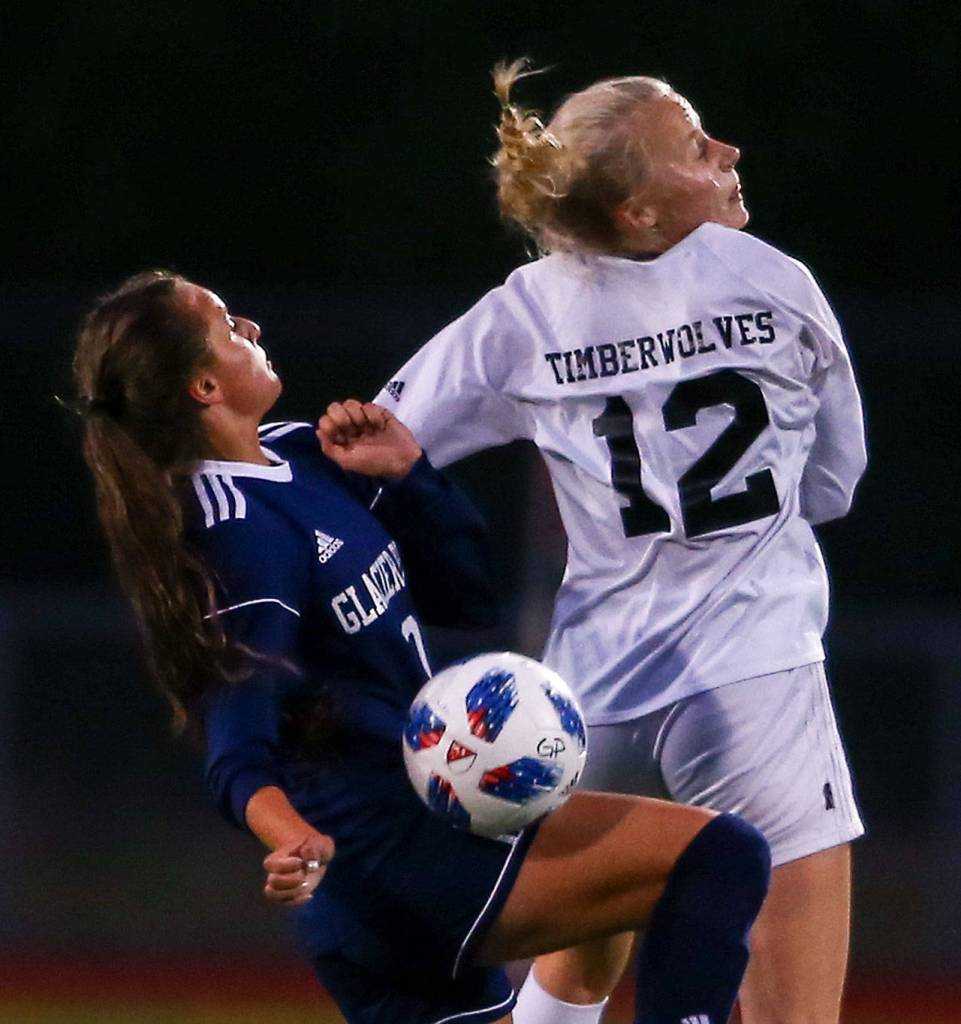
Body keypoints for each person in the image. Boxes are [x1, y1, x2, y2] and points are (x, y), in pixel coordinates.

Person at [72, 269, 769, 1024]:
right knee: (718, 856)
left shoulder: (299, 457)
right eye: (226, 327)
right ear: (205, 386)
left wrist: (409, 478)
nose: (252, 328)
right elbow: (236, 732)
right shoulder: (237, 529)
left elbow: (465, 597)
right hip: (392, 855)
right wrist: (289, 836)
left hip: (407, 844)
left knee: (616, 911)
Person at [372, 61, 867, 1024]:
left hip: (587, 693)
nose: (726, 153)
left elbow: (385, 441)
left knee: (575, 970)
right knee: (792, 1002)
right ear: (639, 211)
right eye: (694, 146)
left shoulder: (525, 309)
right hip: (752, 671)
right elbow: (832, 485)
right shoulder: (767, 277)